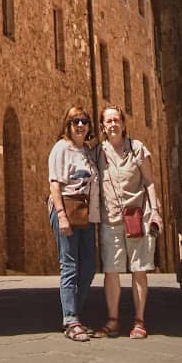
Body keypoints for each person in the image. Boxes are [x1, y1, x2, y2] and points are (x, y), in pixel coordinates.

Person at [95, 103, 162, 339]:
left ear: (123, 123)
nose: (113, 124)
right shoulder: (97, 153)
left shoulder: (137, 149)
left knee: (139, 269)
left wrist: (155, 210)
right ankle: (113, 320)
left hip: (136, 217)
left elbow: (149, 182)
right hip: (110, 219)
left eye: (116, 120)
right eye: (108, 121)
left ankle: (139, 321)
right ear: (102, 126)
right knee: (111, 271)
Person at [47, 104, 99, 341]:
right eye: (75, 121)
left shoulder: (88, 151)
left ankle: (74, 314)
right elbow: (55, 183)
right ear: (67, 125)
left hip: (85, 212)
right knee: (69, 265)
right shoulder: (61, 149)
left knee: (88, 265)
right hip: (66, 208)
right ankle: (70, 319)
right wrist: (60, 215)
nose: (80, 125)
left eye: (84, 121)